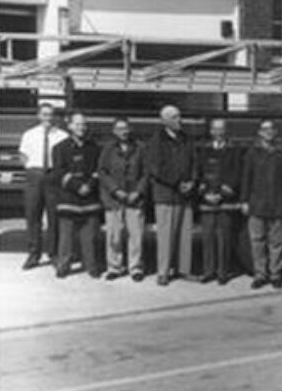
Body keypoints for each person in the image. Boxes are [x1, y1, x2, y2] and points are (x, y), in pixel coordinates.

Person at [146, 105, 197, 286]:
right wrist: (177, 182)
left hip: (185, 194)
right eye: (175, 117)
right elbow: (156, 168)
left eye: (179, 116)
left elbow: (194, 161)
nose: (179, 120)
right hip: (165, 194)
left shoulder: (186, 139)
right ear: (164, 121)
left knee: (185, 234)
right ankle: (163, 272)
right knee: (165, 235)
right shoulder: (156, 141)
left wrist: (192, 181)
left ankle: (184, 269)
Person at [241, 120, 282, 289]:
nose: (268, 132)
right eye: (265, 129)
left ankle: (275, 274)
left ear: (276, 132)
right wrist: (244, 200)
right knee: (257, 241)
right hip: (257, 203)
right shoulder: (252, 153)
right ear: (259, 132)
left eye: (271, 129)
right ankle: (260, 275)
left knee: (277, 242)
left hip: (277, 203)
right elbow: (246, 178)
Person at [52, 112, 103, 278]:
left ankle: (91, 266)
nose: (81, 127)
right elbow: (59, 172)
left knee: (89, 237)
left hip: (89, 198)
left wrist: (88, 186)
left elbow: (98, 171)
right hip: (68, 198)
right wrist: (77, 186)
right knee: (66, 238)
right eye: (78, 124)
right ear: (69, 126)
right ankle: (63, 266)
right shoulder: (59, 148)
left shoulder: (94, 148)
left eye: (84, 124)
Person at [18, 102, 68, 270]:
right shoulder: (29, 134)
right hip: (35, 176)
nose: (48, 118)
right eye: (44, 114)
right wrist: (34, 170)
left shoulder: (62, 135)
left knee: (54, 217)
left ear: (54, 116)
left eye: (51, 114)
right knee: (33, 216)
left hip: (53, 177)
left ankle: (53, 253)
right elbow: (23, 156)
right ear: (39, 116)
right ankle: (33, 254)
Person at [98, 117, 148, 282]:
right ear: (114, 131)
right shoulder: (108, 149)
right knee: (114, 235)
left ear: (130, 129)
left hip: (135, 198)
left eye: (126, 128)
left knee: (136, 235)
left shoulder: (140, 147)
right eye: (119, 128)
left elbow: (147, 172)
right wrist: (115, 190)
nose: (123, 131)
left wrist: (138, 191)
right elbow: (102, 172)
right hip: (114, 198)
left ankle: (135, 267)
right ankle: (114, 267)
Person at [197, 118, 243, 284]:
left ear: (226, 131)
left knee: (224, 238)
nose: (218, 132)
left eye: (221, 129)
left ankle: (223, 272)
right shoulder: (203, 149)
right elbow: (199, 171)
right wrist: (204, 193)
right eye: (215, 129)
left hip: (225, 199)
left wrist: (223, 193)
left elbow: (237, 172)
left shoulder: (234, 149)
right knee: (207, 237)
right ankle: (209, 271)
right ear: (210, 131)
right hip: (207, 199)